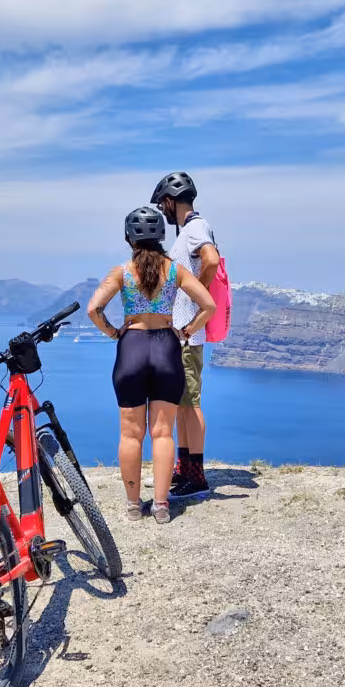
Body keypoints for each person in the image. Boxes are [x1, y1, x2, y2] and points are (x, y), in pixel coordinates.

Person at [87, 206, 215, 525]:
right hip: (166, 348)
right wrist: (185, 331)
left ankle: (133, 505)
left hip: (132, 347)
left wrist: (114, 332)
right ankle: (160, 505)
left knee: (131, 434)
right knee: (162, 433)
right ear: (160, 236)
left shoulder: (121, 272)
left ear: (129, 238)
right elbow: (208, 305)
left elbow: (94, 309)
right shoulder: (175, 271)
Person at [151, 171, 221, 501]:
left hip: (188, 335)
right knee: (181, 404)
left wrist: (198, 294)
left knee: (190, 404)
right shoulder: (188, 231)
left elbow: (211, 259)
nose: (162, 211)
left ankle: (197, 476)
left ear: (171, 200)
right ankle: (184, 468)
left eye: (163, 204)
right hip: (182, 334)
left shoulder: (194, 228)